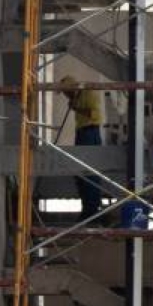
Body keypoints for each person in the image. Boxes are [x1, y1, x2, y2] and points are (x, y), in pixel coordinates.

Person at [58, 75, 106, 222]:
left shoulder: (88, 92)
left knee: (89, 172)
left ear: (72, 88)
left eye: (66, 92)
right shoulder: (76, 97)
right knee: (80, 174)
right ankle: (87, 208)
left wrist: (76, 107)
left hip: (90, 133)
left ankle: (92, 210)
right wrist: (74, 104)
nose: (65, 95)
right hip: (82, 133)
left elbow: (94, 115)